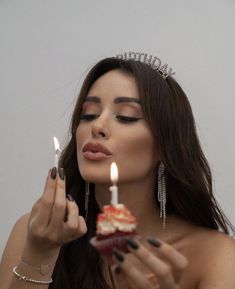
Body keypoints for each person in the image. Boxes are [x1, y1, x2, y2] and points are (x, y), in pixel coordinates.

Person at [0, 52, 235, 289]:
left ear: (165, 146)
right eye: (88, 115)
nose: (98, 126)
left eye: (125, 117)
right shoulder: (36, 234)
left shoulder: (215, 256)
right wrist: (40, 256)